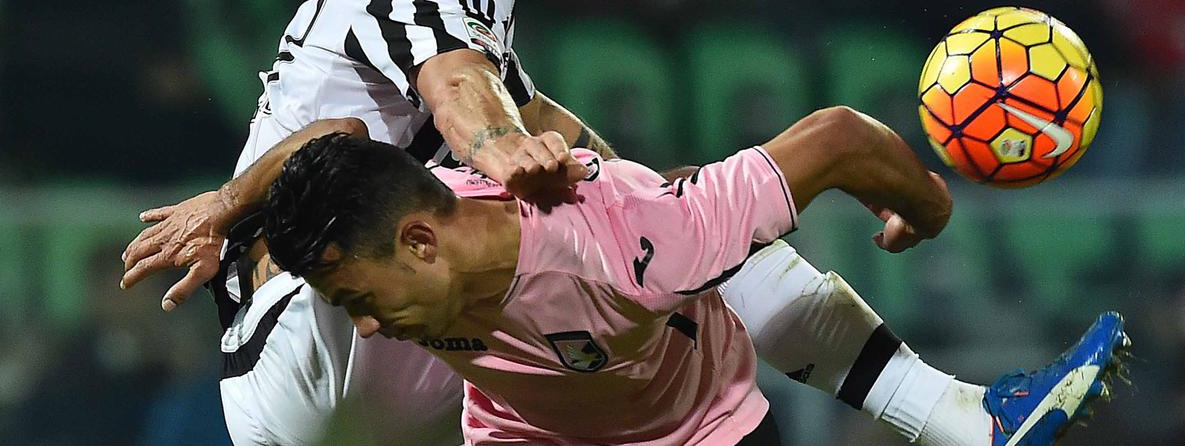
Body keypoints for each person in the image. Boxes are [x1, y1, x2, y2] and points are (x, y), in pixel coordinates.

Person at [120, 0, 1125, 445]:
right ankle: (958, 421)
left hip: (335, 365)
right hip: (324, 326)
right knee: (694, 260)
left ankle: (963, 420)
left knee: (683, 237)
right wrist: (497, 148)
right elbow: (457, 88)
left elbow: (527, 120)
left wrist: (644, 191)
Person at [259, 111, 1127, 445]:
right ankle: (963, 424)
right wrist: (231, 204)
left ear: (420, 243)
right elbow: (336, 133)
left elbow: (837, 141)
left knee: (712, 253)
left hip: (690, 432)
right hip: (528, 433)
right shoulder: (403, 206)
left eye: (361, 302)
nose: (365, 327)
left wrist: (926, 209)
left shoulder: (625, 251)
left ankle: (961, 421)